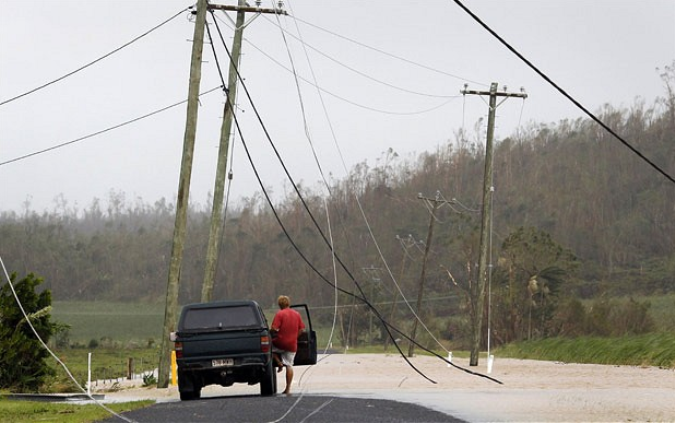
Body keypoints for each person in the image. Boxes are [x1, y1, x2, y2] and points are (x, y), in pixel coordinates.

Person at [270, 295, 305, 395]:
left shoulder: (280, 314)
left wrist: (272, 332)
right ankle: (288, 389)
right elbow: (302, 329)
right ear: (288, 303)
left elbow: (274, 328)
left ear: (279, 304)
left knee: (269, 348)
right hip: (292, 344)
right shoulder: (296, 314)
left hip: (280, 342)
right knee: (289, 365)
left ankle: (279, 362)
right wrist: (294, 337)